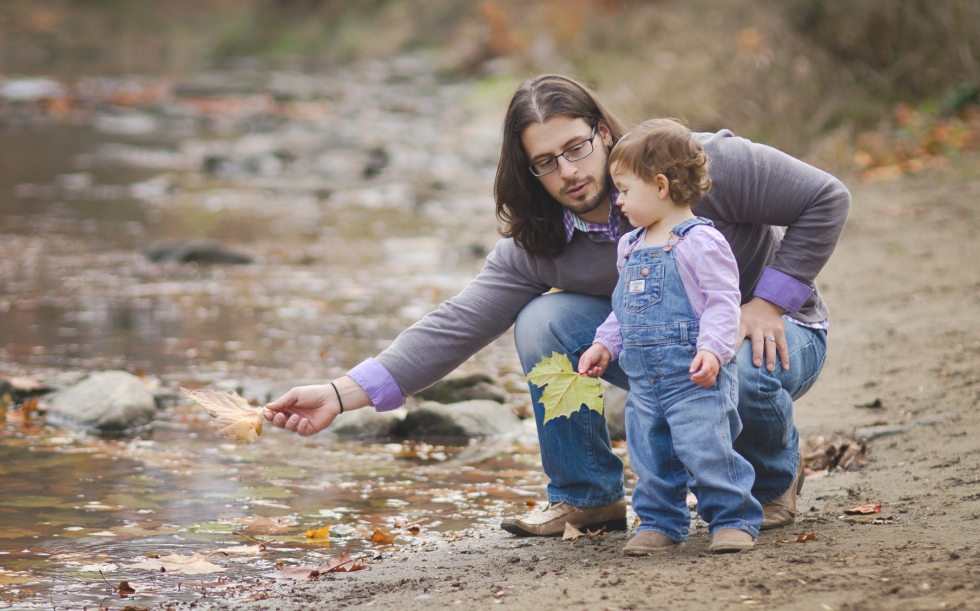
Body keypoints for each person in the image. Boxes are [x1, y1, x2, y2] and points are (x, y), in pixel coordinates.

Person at [264, 75, 850, 539]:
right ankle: (588, 495)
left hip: (773, 334)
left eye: (576, 147)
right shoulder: (538, 244)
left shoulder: (698, 166)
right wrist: (340, 395)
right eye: (546, 161)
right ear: (528, 170)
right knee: (542, 319)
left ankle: (774, 478)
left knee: (745, 365)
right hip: (659, 353)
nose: (568, 171)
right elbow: (454, 326)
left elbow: (826, 197)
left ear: (601, 132)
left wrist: (770, 299)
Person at [576, 118, 762, 554]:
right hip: (644, 381)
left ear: (660, 185)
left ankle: (733, 518)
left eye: (623, 190)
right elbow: (624, 309)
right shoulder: (631, 246)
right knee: (649, 455)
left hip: (693, 375)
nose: (617, 201)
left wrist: (714, 351)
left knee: (707, 448)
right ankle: (661, 521)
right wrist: (605, 344)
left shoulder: (700, 242)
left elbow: (722, 302)